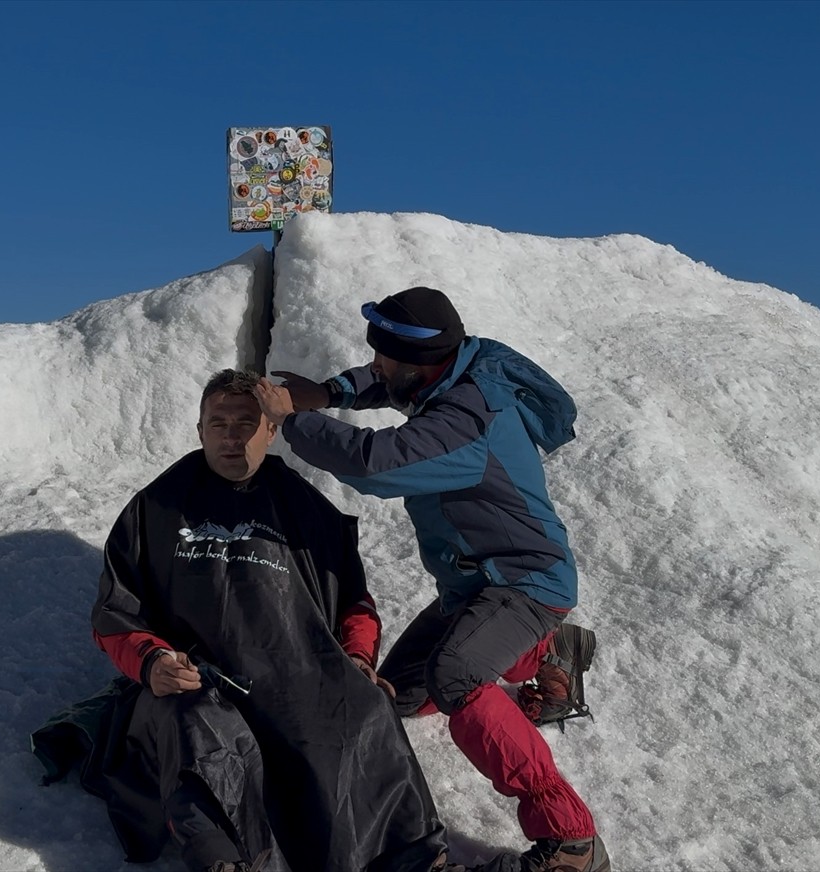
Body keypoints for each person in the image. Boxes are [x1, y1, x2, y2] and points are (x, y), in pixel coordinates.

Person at [252, 287, 611, 872]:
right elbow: (381, 381)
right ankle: (547, 653)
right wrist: (331, 391)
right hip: (474, 589)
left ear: (421, 364)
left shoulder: (467, 416)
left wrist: (295, 420)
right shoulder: (444, 374)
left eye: (388, 359)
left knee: (457, 675)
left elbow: (375, 462)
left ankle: (572, 840)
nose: (378, 367)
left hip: (526, 581)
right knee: (392, 700)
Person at [88, 368, 450, 872]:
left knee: (366, 709)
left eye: (246, 423)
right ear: (199, 429)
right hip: (199, 678)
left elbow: (354, 603)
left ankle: (409, 859)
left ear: (272, 430)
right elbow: (114, 615)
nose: (232, 437)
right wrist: (151, 663)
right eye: (219, 424)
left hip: (298, 669)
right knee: (198, 730)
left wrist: (356, 657)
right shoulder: (154, 508)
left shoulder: (305, 507)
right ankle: (233, 861)